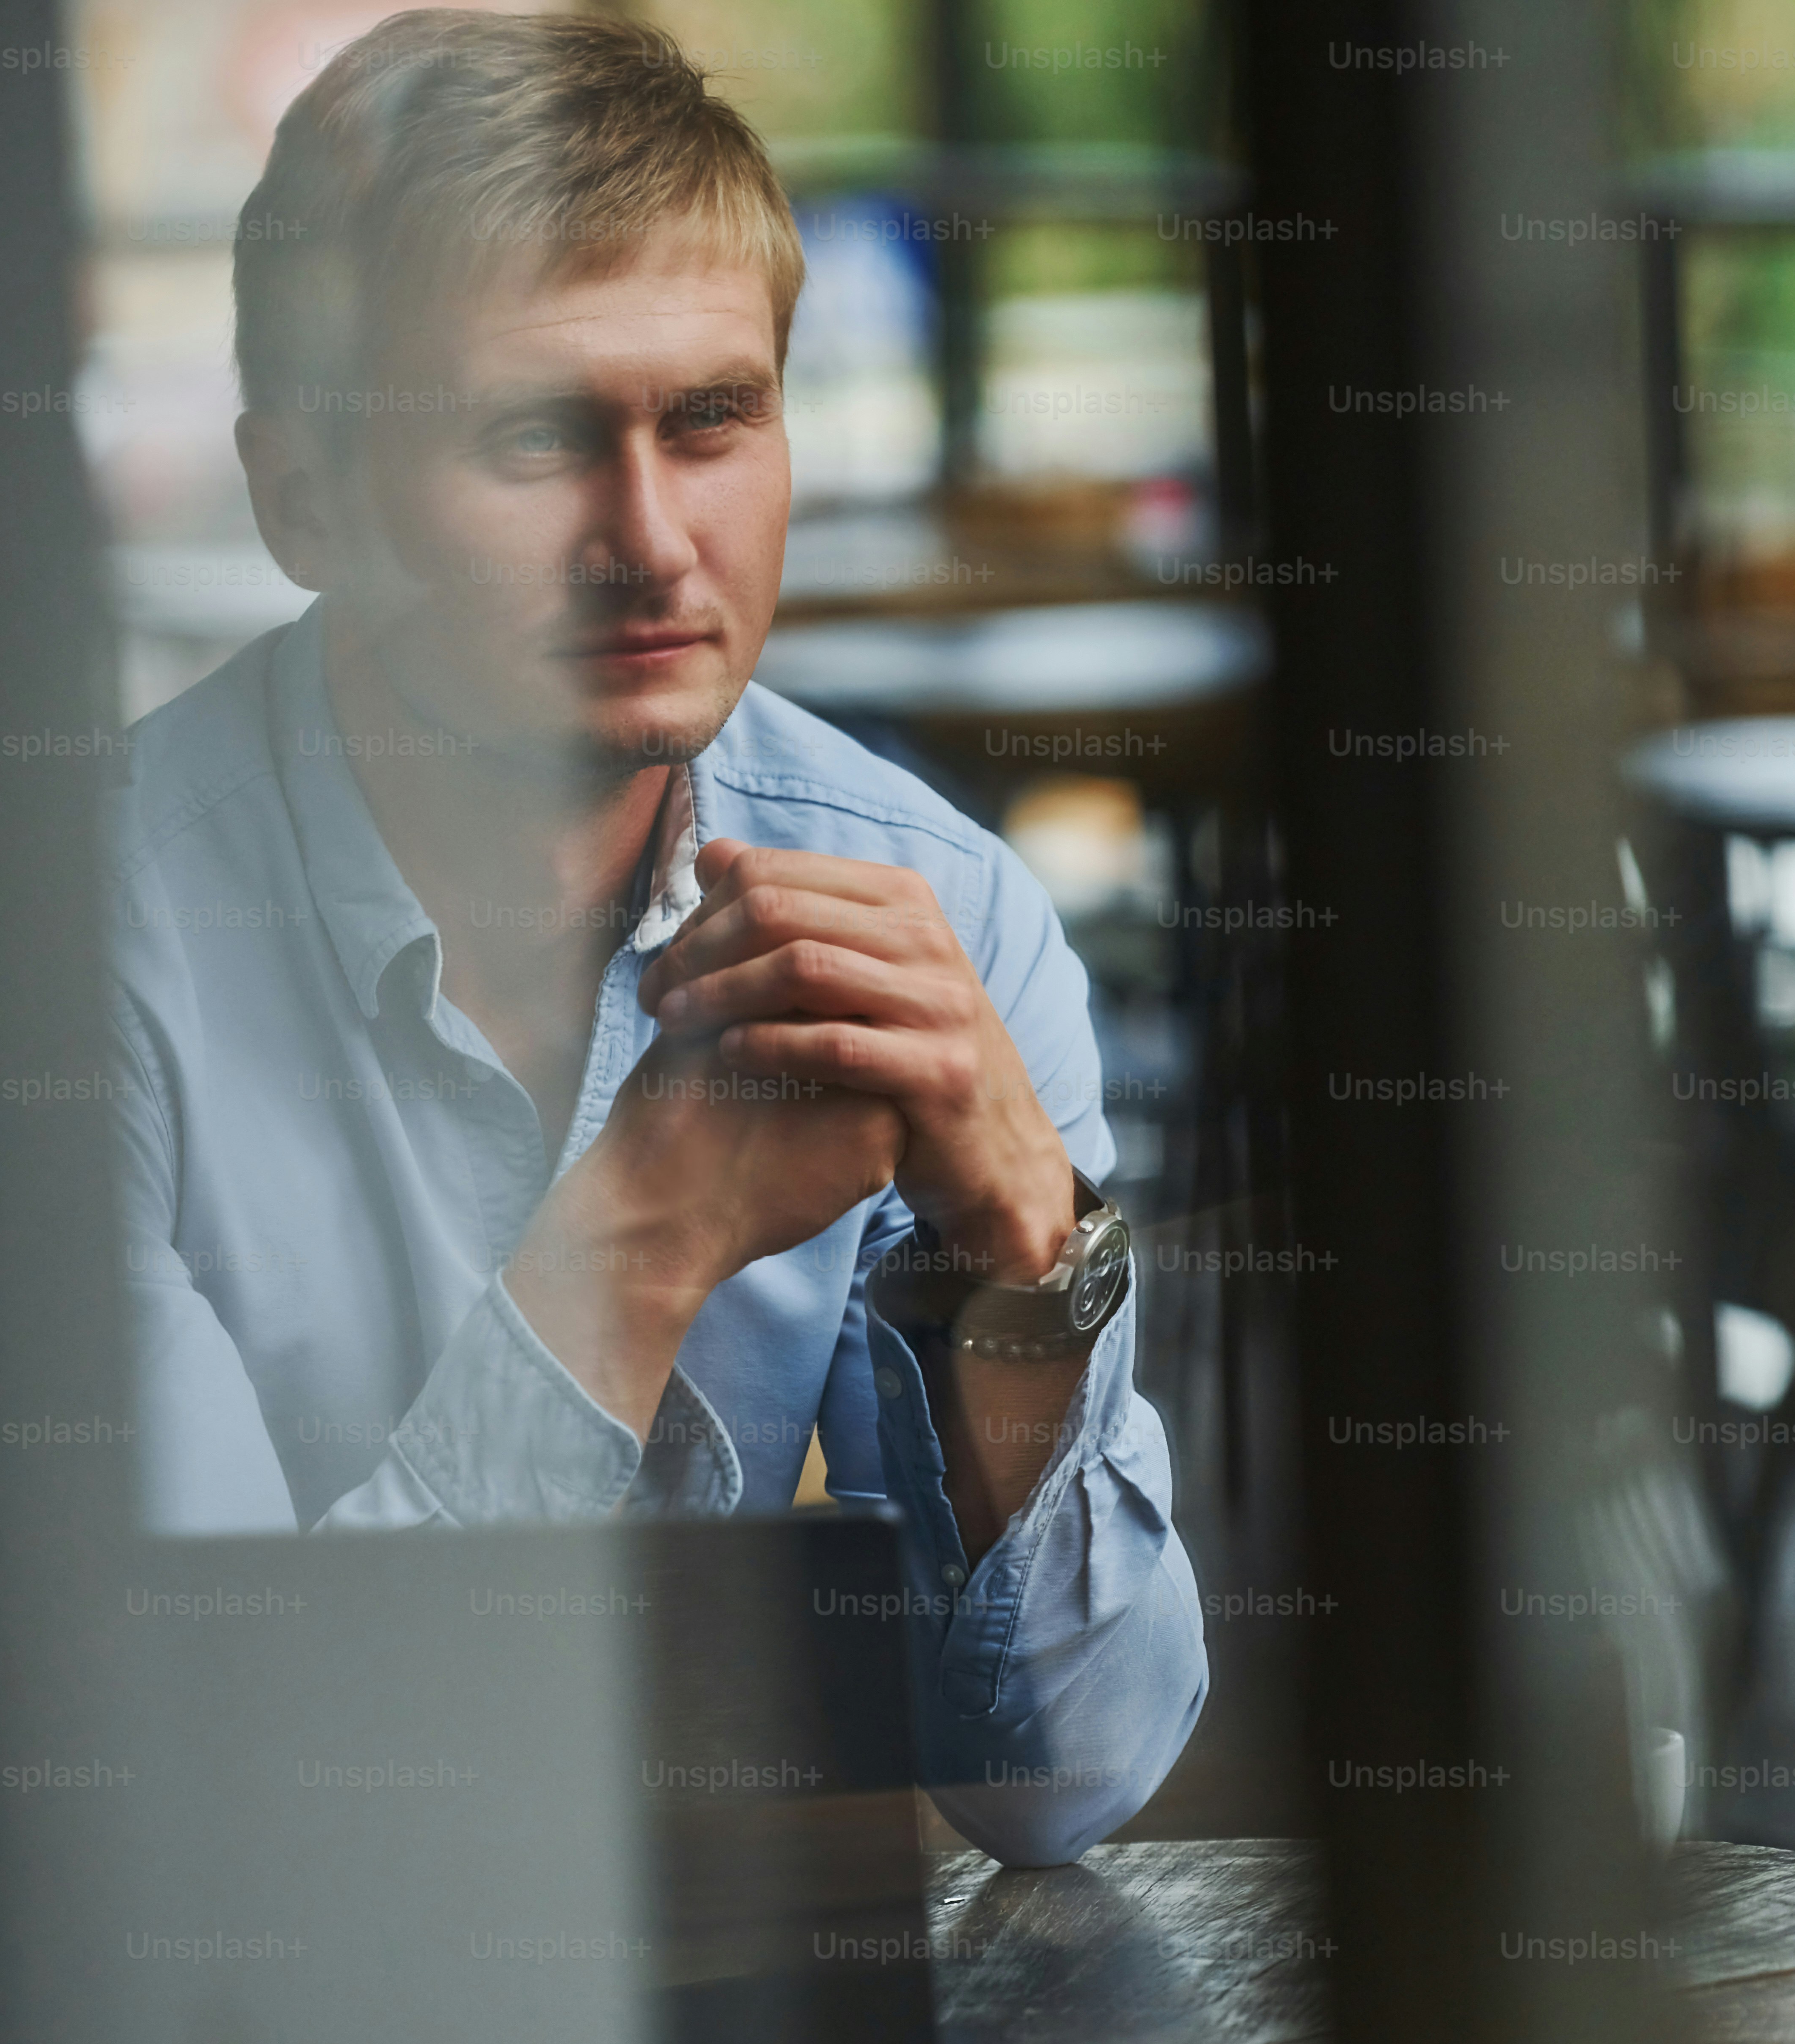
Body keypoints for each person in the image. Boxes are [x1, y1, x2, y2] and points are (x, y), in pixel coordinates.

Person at [105, 9, 1203, 1865]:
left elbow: (1058, 1781)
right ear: (302, 495)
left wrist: (1026, 1251)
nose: (652, 541)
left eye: (715, 419)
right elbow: (220, 1805)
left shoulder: (932, 910)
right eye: (532, 438)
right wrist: (639, 1240)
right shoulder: (69, 963)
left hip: (754, 2026)